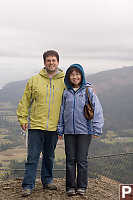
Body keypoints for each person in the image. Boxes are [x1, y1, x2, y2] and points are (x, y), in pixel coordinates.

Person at [16, 50, 65, 197]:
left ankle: (47, 181)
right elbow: (25, 101)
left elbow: (76, 88)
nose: (51, 63)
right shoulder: (34, 80)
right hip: (36, 126)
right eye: (48, 60)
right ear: (44, 63)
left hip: (54, 126)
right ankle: (28, 185)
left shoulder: (64, 81)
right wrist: (23, 118)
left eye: (54, 60)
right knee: (32, 157)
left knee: (49, 156)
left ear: (58, 62)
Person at [57, 64, 104, 196]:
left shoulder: (88, 91)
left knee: (82, 160)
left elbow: (98, 110)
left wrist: (96, 128)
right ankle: (70, 187)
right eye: (72, 74)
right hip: (69, 132)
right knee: (70, 159)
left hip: (85, 131)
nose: (75, 77)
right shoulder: (66, 92)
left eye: (77, 74)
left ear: (82, 76)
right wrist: (60, 128)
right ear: (68, 77)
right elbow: (62, 111)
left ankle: (82, 186)